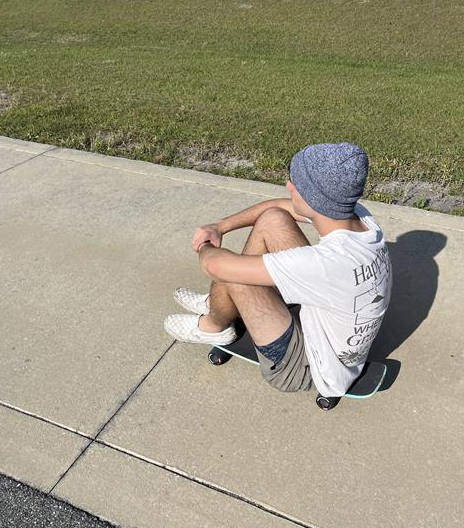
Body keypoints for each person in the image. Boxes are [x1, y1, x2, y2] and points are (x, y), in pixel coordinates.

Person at [164, 142, 392, 399]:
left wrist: (205, 244)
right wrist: (220, 226)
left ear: (315, 199)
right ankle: (219, 302)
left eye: (295, 183)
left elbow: (214, 265)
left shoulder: (324, 264)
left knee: (236, 275)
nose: (288, 186)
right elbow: (282, 207)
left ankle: (214, 325)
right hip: (325, 322)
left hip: (306, 366)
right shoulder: (360, 218)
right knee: (273, 219)